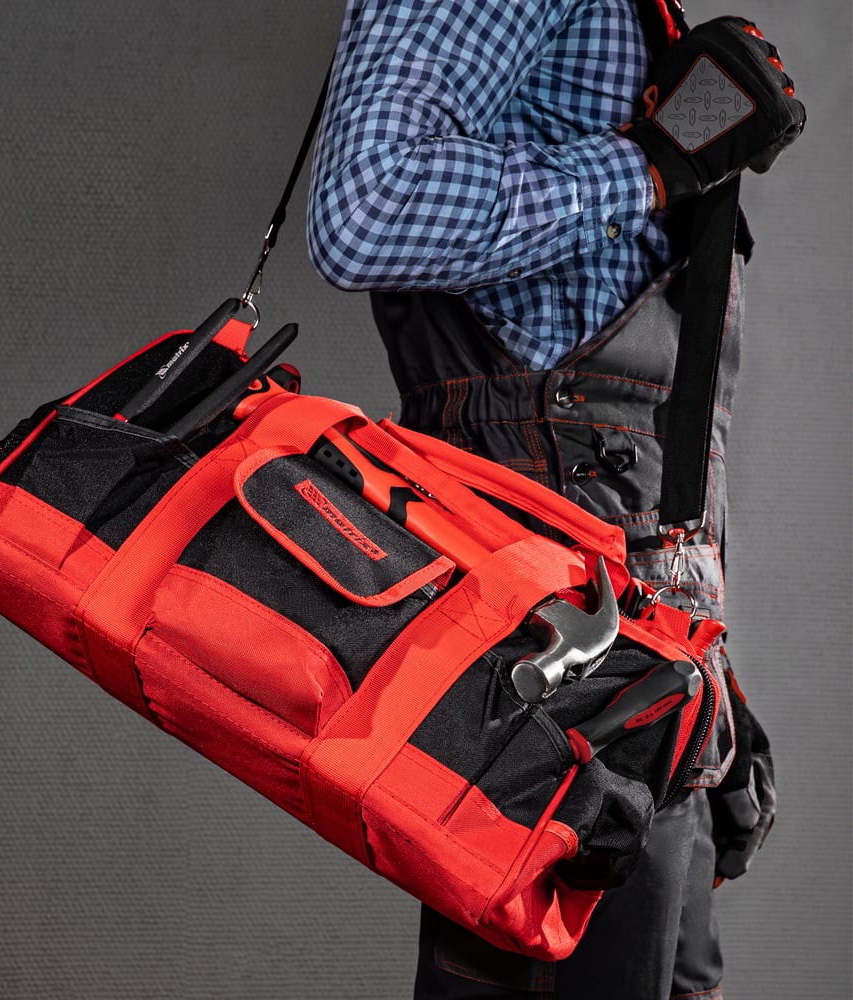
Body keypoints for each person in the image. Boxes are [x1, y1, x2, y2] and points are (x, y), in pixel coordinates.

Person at [307, 1, 804, 997]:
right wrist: (646, 168)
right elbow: (367, 206)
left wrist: (706, 653)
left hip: (644, 619)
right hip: (564, 617)